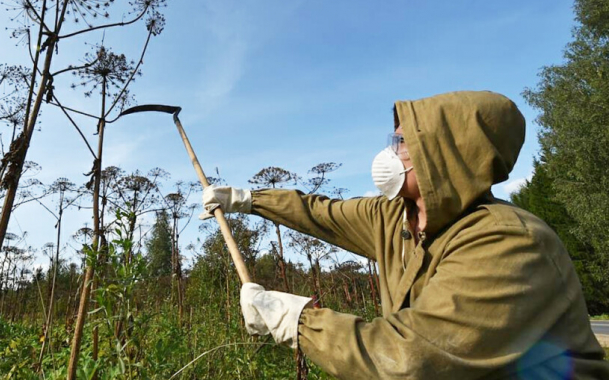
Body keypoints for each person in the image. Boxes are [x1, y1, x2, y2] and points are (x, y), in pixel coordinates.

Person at [201, 91, 609, 379]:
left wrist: (296, 320)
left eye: (401, 142)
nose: (389, 151)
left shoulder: (507, 243)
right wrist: (245, 198)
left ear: (444, 155)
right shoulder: (397, 217)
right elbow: (318, 211)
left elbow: (409, 361)